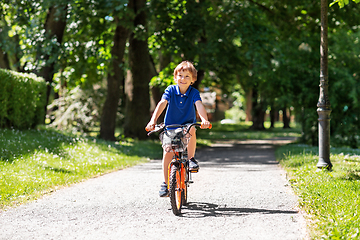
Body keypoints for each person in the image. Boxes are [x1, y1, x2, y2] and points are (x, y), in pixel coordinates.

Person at [146, 60, 211, 197]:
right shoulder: (170, 90)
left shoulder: (193, 92)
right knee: (168, 152)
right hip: (171, 125)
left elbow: (199, 105)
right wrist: (153, 121)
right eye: (180, 75)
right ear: (175, 77)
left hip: (187, 124)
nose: (183, 79)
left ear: (192, 80)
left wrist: (204, 120)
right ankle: (165, 183)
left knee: (191, 129)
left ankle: (191, 159)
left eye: (187, 76)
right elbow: (162, 103)